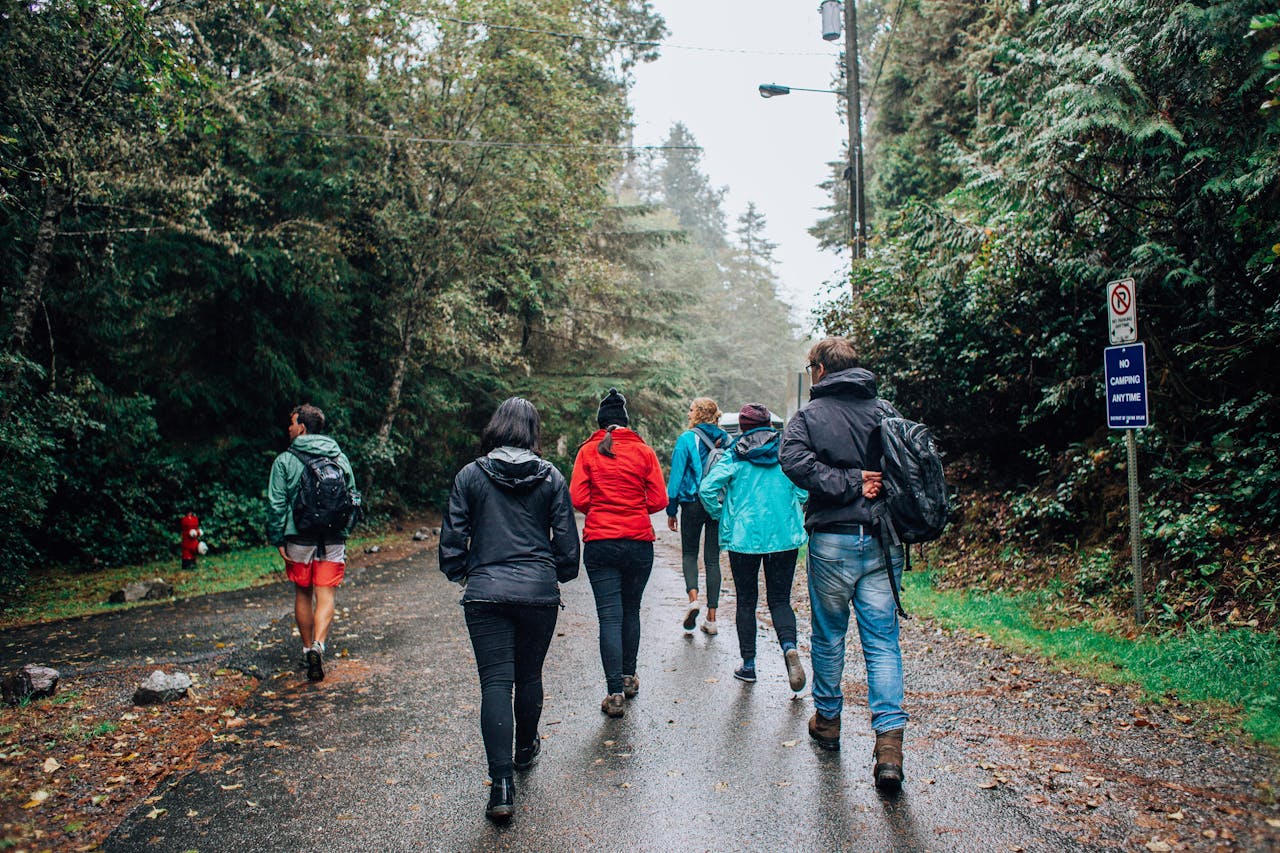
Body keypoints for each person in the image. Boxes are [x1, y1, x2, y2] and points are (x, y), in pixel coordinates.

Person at [438, 397, 580, 824]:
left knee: (496, 684)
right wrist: (552, 571)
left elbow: (451, 541)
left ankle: (501, 787)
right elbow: (569, 548)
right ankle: (524, 751)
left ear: (496, 428)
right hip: (538, 593)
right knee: (529, 675)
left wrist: (467, 573)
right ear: (532, 431)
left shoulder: (470, 475)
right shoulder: (551, 476)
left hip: (485, 594)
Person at [779, 337, 908, 793]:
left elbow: (791, 460)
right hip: (880, 541)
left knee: (830, 635)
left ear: (819, 370)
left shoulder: (809, 418)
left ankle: (829, 721)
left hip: (831, 540)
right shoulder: (886, 411)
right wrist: (863, 480)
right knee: (882, 641)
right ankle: (889, 747)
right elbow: (909, 466)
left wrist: (842, 482)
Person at [570, 388, 668, 718]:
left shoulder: (587, 452)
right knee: (631, 610)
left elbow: (578, 498)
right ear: (626, 423)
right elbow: (658, 500)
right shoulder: (644, 452)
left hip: (600, 542)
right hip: (638, 541)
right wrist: (633, 505)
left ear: (601, 423)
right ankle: (628, 677)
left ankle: (614, 694)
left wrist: (602, 507)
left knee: (609, 616)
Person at [699, 403, 808, 690]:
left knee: (746, 601)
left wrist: (719, 513)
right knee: (780, 600)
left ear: (744, 427)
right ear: (770, 426)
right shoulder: (785, 454)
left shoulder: (734, 454)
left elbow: (707, 488)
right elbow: (804, 490)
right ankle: (789, 648)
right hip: (783, 537)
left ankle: (748, 665)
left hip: (744, 538)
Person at [266, 404, 357, 683]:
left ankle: (307, 650)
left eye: (292, 424)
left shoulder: (285, 460)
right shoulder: (339, 457)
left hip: (299, 537)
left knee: (303, 593)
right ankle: (320, 644)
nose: (289, 428)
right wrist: (345, 529)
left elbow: (276, 503)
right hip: (332, 537)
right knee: (326, 594)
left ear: (302, 428)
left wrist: (277, 537)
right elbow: (352, 496)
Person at [665, 397, 729, 635]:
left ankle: (693, 599)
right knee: (713, 560)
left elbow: (676, 478)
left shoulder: (686, 439)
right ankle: (711, 619)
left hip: (692, 504)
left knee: (690, 554)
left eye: (691, 410)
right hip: (717, 504)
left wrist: (672, 509)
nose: (688, 414)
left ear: (700, 413)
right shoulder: (727, 440)